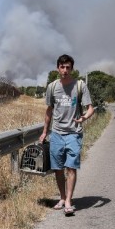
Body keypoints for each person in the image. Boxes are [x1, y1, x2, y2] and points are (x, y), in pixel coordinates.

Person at [39, 54, 94, 216]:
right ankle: (62, 197)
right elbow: (49, 110)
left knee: (71, 167)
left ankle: (69, 200)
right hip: (56, 133)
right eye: (62, 67)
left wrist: (84, 117)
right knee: (57, 169)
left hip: (74, 133)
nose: (64, 70)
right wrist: (44, 132)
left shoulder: (80, 85)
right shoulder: (52, 87)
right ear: (58, 68)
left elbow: (90, 107)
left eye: (68, 67)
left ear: (72, 68)